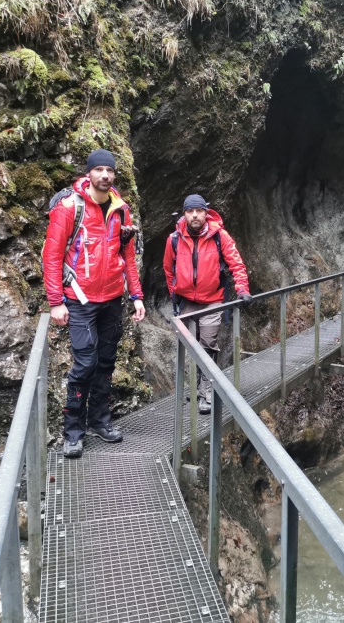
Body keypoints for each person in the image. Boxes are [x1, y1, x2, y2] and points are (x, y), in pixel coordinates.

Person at [42, 149, 145, 458]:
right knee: (85, 364)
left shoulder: (121, 210)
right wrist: (56, 301)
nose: (105, 175)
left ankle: (100, 421)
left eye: (109, 170)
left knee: (106, 362)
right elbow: (52, 256)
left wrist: (137, 296)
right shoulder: (69, 208)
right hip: (80, 300)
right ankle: (73, 431)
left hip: (112, 298)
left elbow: (128, 258)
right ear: (89, 173)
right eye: (99, 169)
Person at [163, 194, 251, 414]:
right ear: (184, 214)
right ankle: (197, 388)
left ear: (206, 212)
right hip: (187, 302)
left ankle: (206, 394)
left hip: (212, 300)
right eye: (190, 211)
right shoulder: (174, 239)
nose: (195, 215)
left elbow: (236, 263)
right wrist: (174, 293)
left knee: (208, 344)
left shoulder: (219, 236)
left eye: (199, 211)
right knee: (192, 347)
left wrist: (242, 289)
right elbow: (168, 269)